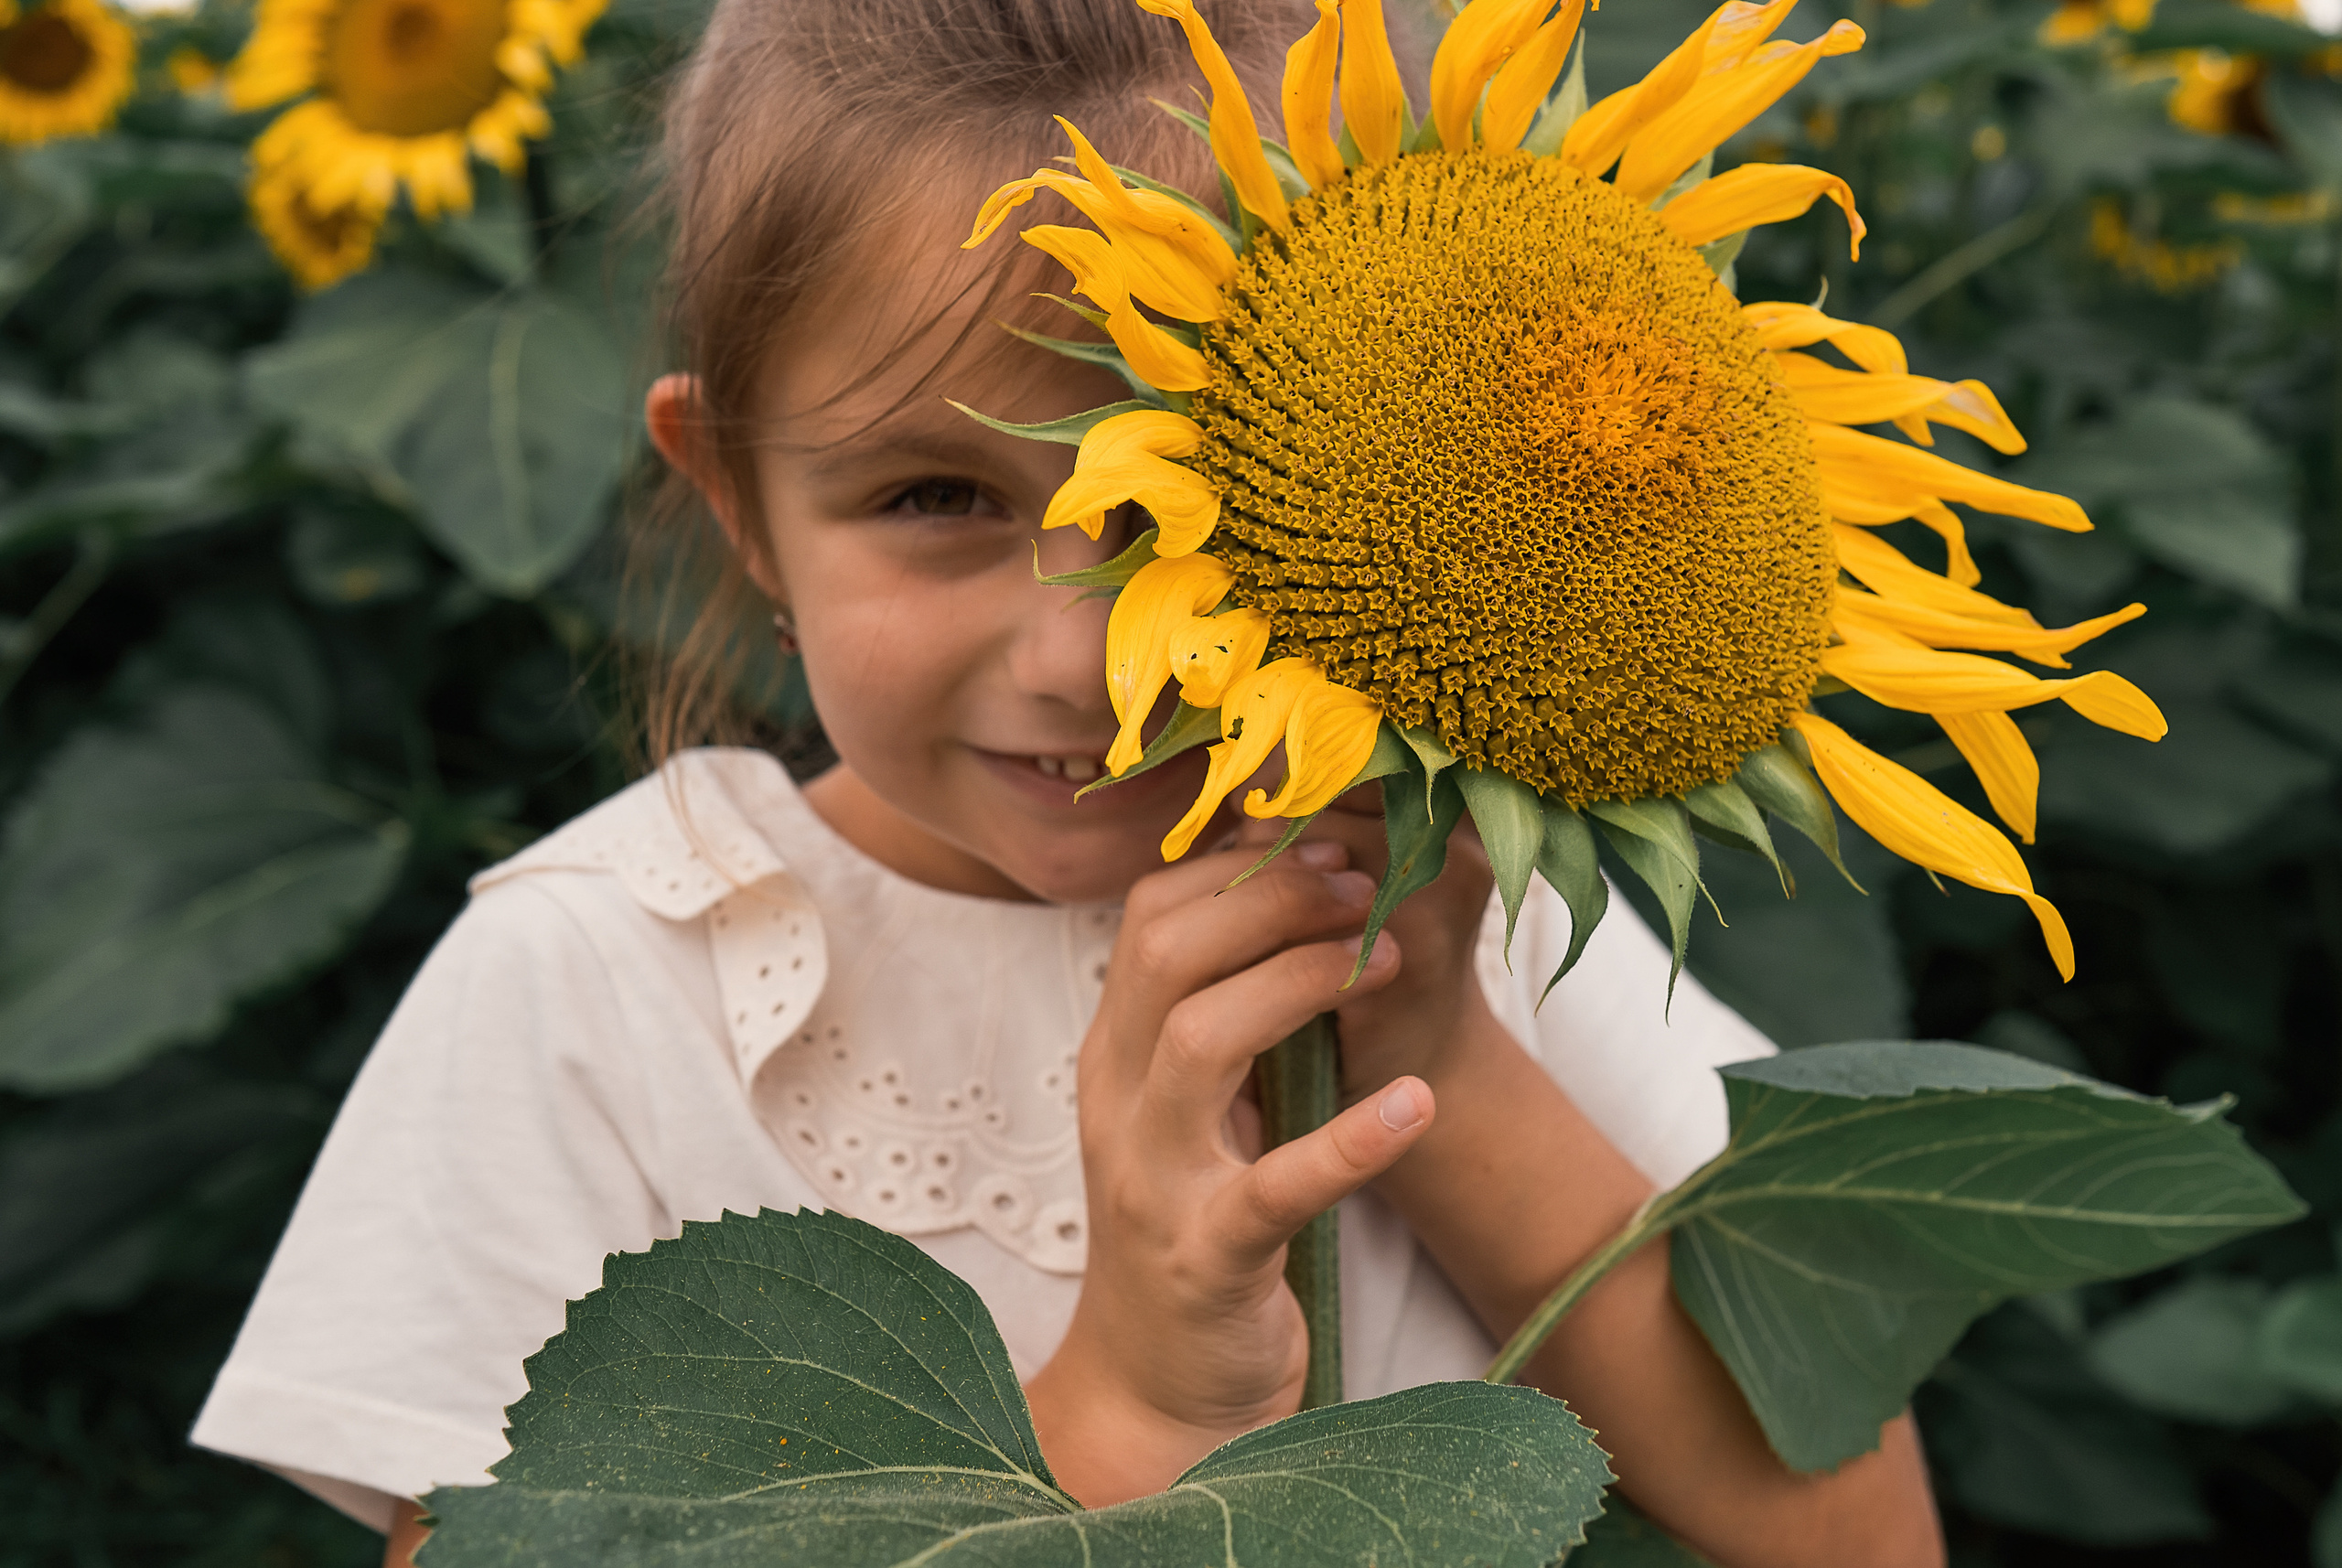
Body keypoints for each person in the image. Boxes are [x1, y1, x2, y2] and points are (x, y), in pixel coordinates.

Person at [191, 2, 1946, 1563]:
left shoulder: (1469, 910)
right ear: (734, 500)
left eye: (1176, 497)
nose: (1082, 657)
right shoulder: (601, 984)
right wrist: (1122, 1401)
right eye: (932, 500)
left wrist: (1444, 1060)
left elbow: (1855, 1530)